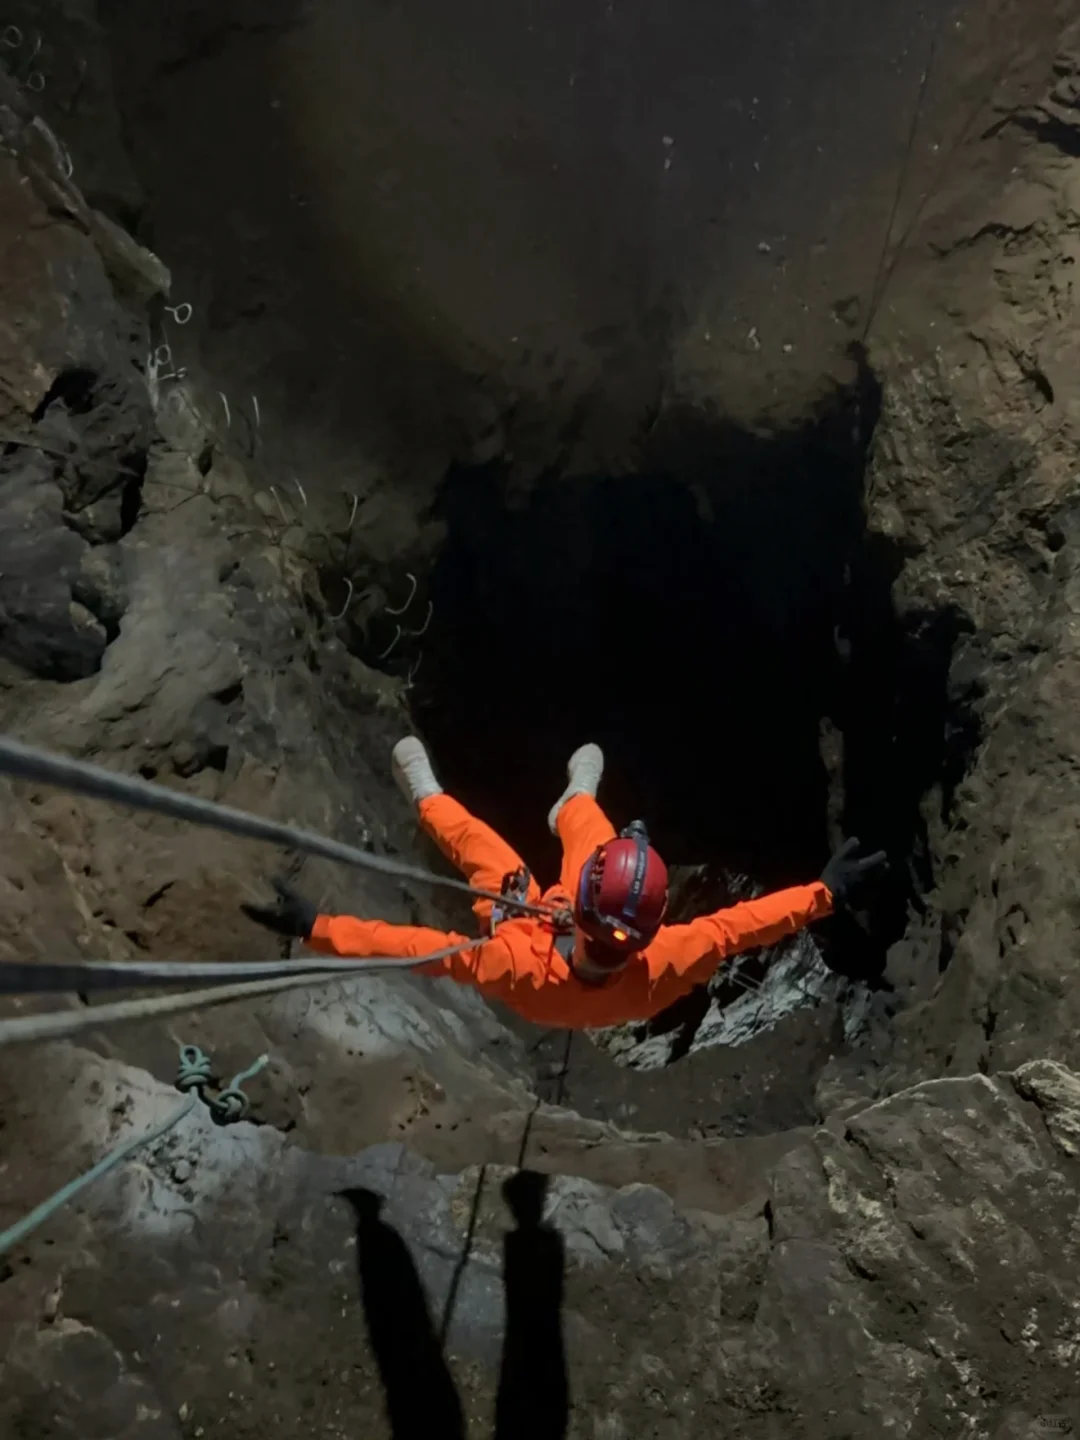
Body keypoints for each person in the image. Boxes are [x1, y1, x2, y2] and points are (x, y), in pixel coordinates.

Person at [242, 738, 886, 1029]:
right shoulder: (668, 958)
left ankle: (430, 798)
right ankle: (573, 801)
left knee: (492, 861)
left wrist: (316, 928)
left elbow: (417, 948)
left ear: (575, 905)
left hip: (542, 953)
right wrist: (823, 893)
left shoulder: (511, 962)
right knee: (592, 835)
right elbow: (738, 926)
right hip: (605, 997)